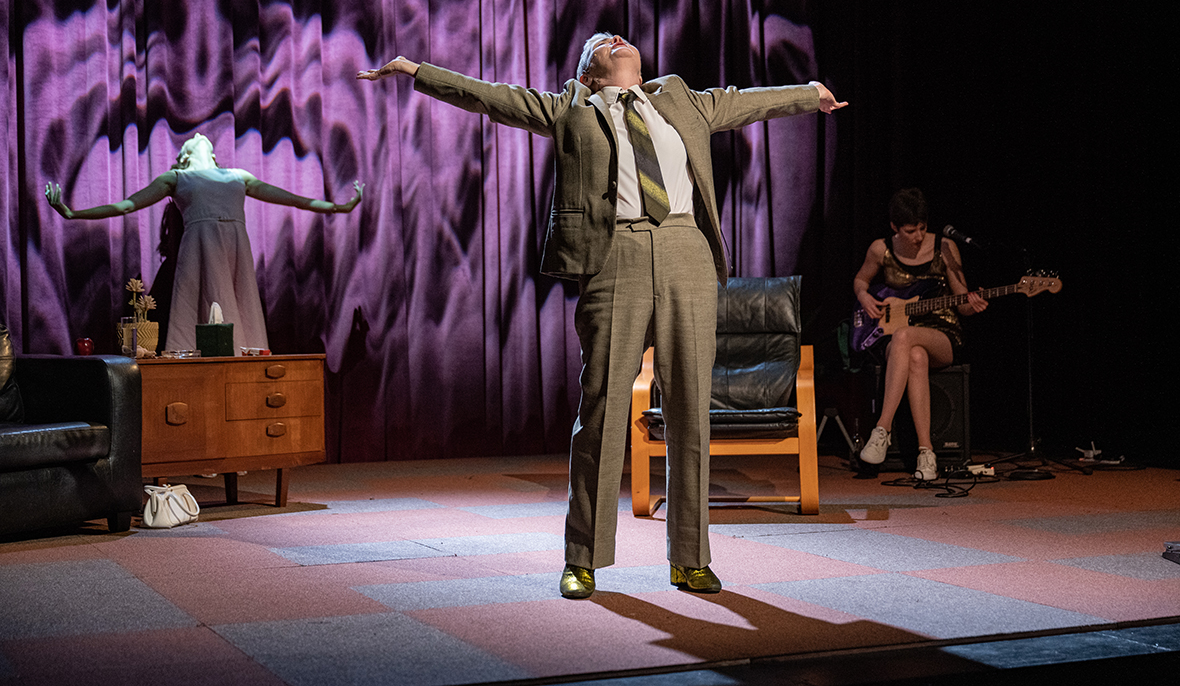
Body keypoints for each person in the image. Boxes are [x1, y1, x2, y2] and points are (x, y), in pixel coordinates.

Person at [358, 33, 846, 598]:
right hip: (614, 254)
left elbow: (747, 101)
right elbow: (489, 96)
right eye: (600, 42)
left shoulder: (681, 99)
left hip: (687, 249)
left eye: (620, 36)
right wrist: (417, 70)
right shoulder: (571, 108)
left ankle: (691, 557)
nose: (615, 38)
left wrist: (811, 93)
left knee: (690, 409)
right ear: (589, 71)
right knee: (604, 408)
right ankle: (583, 556)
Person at [45, 133, 363, 353]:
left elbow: (293, 199)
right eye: (189, 142)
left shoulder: (238, 176)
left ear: (212, 154)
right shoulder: (176, 179)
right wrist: (72, 214)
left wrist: (339, 207)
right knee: (200, 311)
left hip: (234, 250)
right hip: (200, 249)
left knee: (241, 310)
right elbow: (128, 205)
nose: (197, 137)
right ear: (183, 157)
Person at [853, 188, 986, 481]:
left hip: (942, 332)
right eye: (910, 230)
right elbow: (861, 280)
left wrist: (972, 305)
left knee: (905, 338)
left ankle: (882, 430)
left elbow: (962, 303)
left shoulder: (945, 247)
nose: (918, 236)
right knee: (912, 352)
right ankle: (927, 453)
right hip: (897, 334)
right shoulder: (881, 249)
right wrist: (864, 296)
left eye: (922, 228)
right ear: (894, 228)